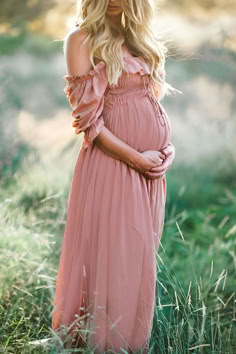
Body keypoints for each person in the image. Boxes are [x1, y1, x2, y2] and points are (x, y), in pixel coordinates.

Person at [51, 0, 180, 353]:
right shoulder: (81, 40)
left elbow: (152, 105)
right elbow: (89, 123)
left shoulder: (139, 39)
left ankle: (129, 345)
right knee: (116, 260)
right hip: (113, 167)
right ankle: (105, 346)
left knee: (137, 261)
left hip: (149, 173)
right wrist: (137, 158)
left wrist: (167, 152)